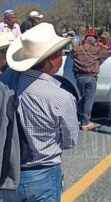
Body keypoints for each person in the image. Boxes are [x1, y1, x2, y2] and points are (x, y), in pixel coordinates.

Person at [1, 23, 79, 201]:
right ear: (53, 58)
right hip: (42, 174)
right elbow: (70, 141)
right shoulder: (61, 97)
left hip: (7, 173)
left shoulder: (6, 83)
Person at [71, 29, 110, 131]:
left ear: (85, 40)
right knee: (89, 100)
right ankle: (85, 123)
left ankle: (77, 118)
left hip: (79, 77)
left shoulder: (77, 49)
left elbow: (71, 53)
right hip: (91, 77)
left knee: (82, 98)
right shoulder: (96, 50)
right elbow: (107, 53)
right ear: (94, 41)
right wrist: (100, 45)